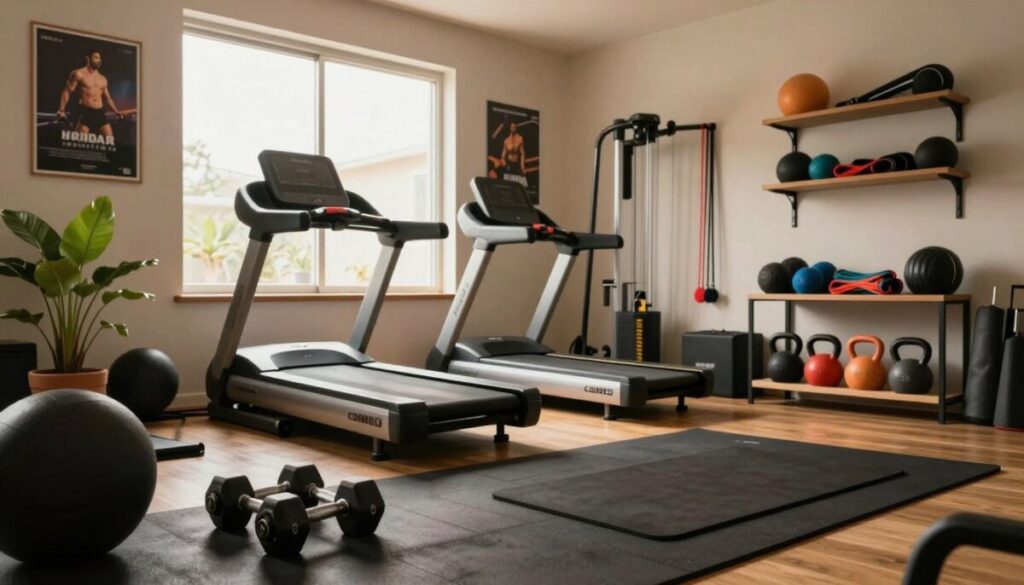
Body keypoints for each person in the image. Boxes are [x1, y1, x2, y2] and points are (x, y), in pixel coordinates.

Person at [56, 50, 123, 136]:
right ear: (88, 59)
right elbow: (67, 91)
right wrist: (61, 110)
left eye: (100, 58)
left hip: (99, 112)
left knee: (109, 141)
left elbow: (107, 98)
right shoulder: (78, 74)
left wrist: (116, 111)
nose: (99, 60)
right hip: (85, 111)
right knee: (81, 143)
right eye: (96, 57)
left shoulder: (102, 78)